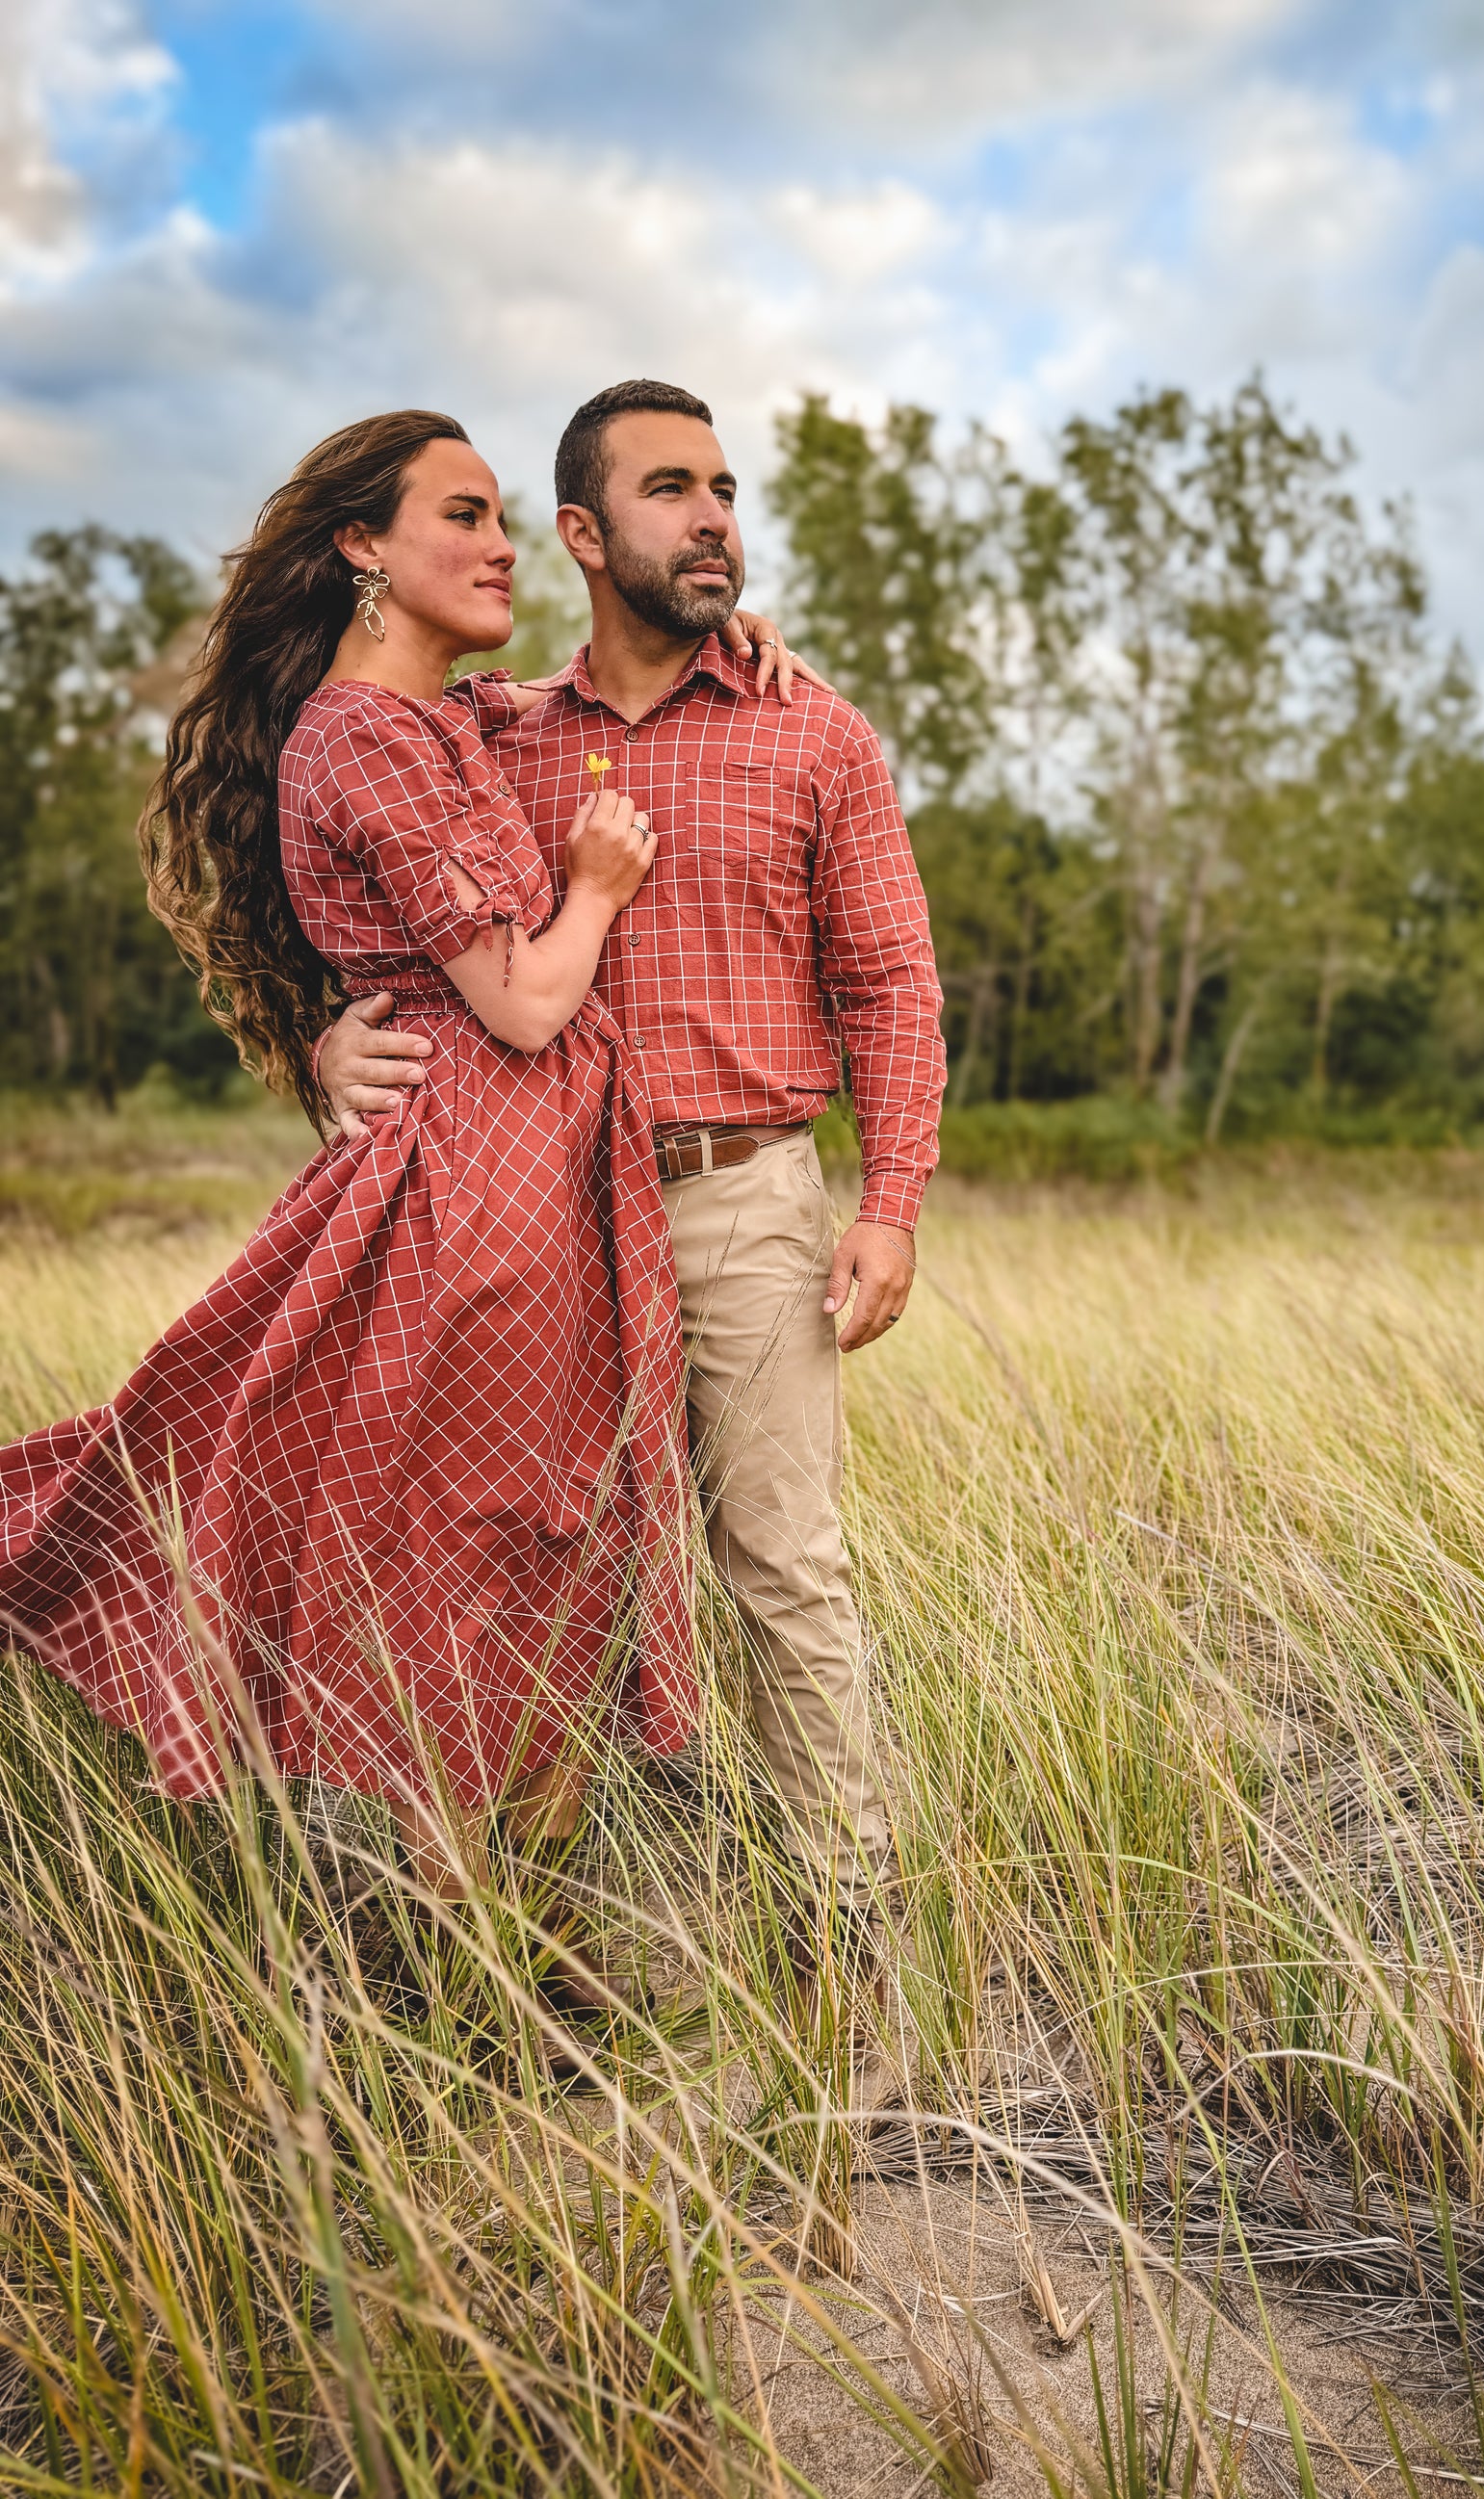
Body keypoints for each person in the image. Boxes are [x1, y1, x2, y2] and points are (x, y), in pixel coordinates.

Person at [0, 409, 806, 2005]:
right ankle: (468, 1966)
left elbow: (594, 693)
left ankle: (524, 1940)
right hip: (485, 1191)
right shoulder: (364, 736)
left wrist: (723, 628)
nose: (500, 544)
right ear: (366, 549)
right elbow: (514, 1002)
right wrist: (592, 887)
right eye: (465, 514)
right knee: (478, 1560)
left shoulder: (451, 722)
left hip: (545, 1185)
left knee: (563, 1553)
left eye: (509, 517)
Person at [317, 379, 948, 1945]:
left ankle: (842, 1918)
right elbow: (355, 878)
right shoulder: (491, 735)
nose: (716, 515)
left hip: (748, 1201)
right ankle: (535, 1943)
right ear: (586, 535)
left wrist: (889, 1203)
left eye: (725, 488)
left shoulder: (814, 729)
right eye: (673, 489)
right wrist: (323, 1039)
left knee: (782, 1567)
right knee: (548, 1572)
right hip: (542, 1222)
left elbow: (891, 982)